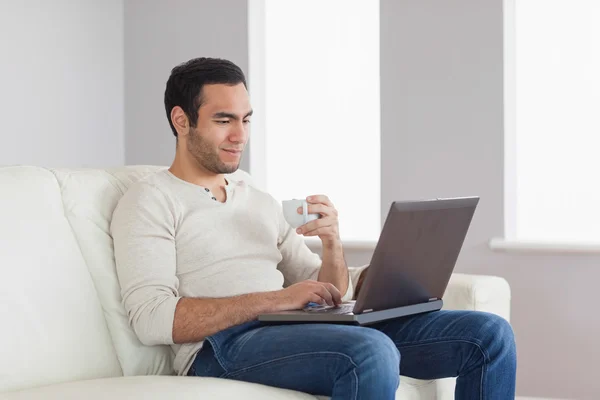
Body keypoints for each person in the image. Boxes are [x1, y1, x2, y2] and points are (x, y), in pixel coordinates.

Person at [110, 57, 516, 399]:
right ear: (181, 120)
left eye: (246, 120)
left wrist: (332, 243)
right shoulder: (151, 200)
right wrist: (278, 300)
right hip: (223, 348)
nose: (240, 136)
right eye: (223, 120)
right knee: (369, 351)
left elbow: (327, 293)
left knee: (488, 335)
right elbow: (153, 319)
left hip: (296, 330)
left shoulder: (257, 199)